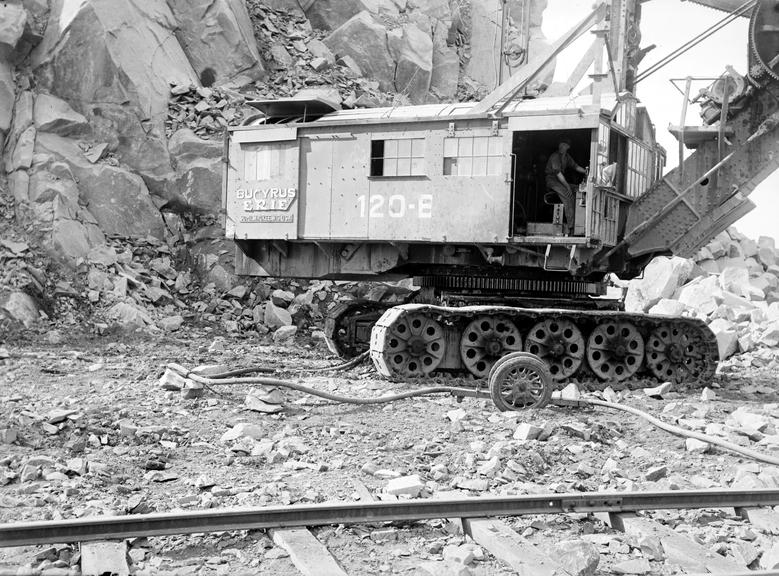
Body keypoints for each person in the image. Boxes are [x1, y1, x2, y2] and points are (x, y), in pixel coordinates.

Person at [545, 139, 587, 235]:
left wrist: (586, 171)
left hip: (560, 182)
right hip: (552, 181)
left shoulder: (567, 157)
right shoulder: (555, 156)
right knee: (568, 196)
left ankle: (580, 222)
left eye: (564, 145)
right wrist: (567, 186)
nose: (561, 146)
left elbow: (575, 166)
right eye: (561, 144)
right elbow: (558, 173)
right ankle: (571, 227)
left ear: (568, 147)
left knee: (578, 189)